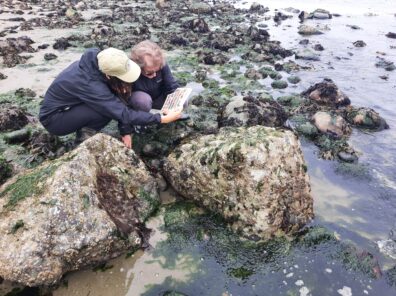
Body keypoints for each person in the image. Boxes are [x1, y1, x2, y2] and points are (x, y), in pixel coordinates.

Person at [39, 47, 181, 149]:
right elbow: (122, 112)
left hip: (72, 106)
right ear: (108, 75)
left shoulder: (101, 59)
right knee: (106, 110)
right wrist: (160, 119)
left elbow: (119, 102)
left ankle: (85, 131)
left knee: (109, 106)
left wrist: (126, 131)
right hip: (54, 119)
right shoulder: (91, 84)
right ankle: (83, 140)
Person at [129, 40, 180, 113]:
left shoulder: (160, 63)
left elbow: (171, 85)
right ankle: (141, 120)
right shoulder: (130, 70)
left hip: (159, 99)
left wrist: (177, 98)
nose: (154, 75)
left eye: (157, 71)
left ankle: (168, 116)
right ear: (138, 67)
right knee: (142, 101)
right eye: (149, 73)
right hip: (140, 101)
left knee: (181, 100)